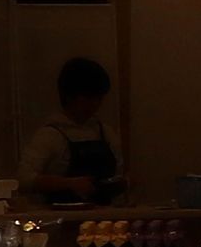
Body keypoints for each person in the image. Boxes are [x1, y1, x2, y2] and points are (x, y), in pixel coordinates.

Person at [19, 58, 125, 205]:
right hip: (62, 215)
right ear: (69, 97)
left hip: (105, 214)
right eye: (88, 98)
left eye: (99, 98)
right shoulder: (50, 135)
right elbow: (23, 180)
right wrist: (68, 184)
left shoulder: (105, 132)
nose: (95, 104)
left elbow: (118, 173)